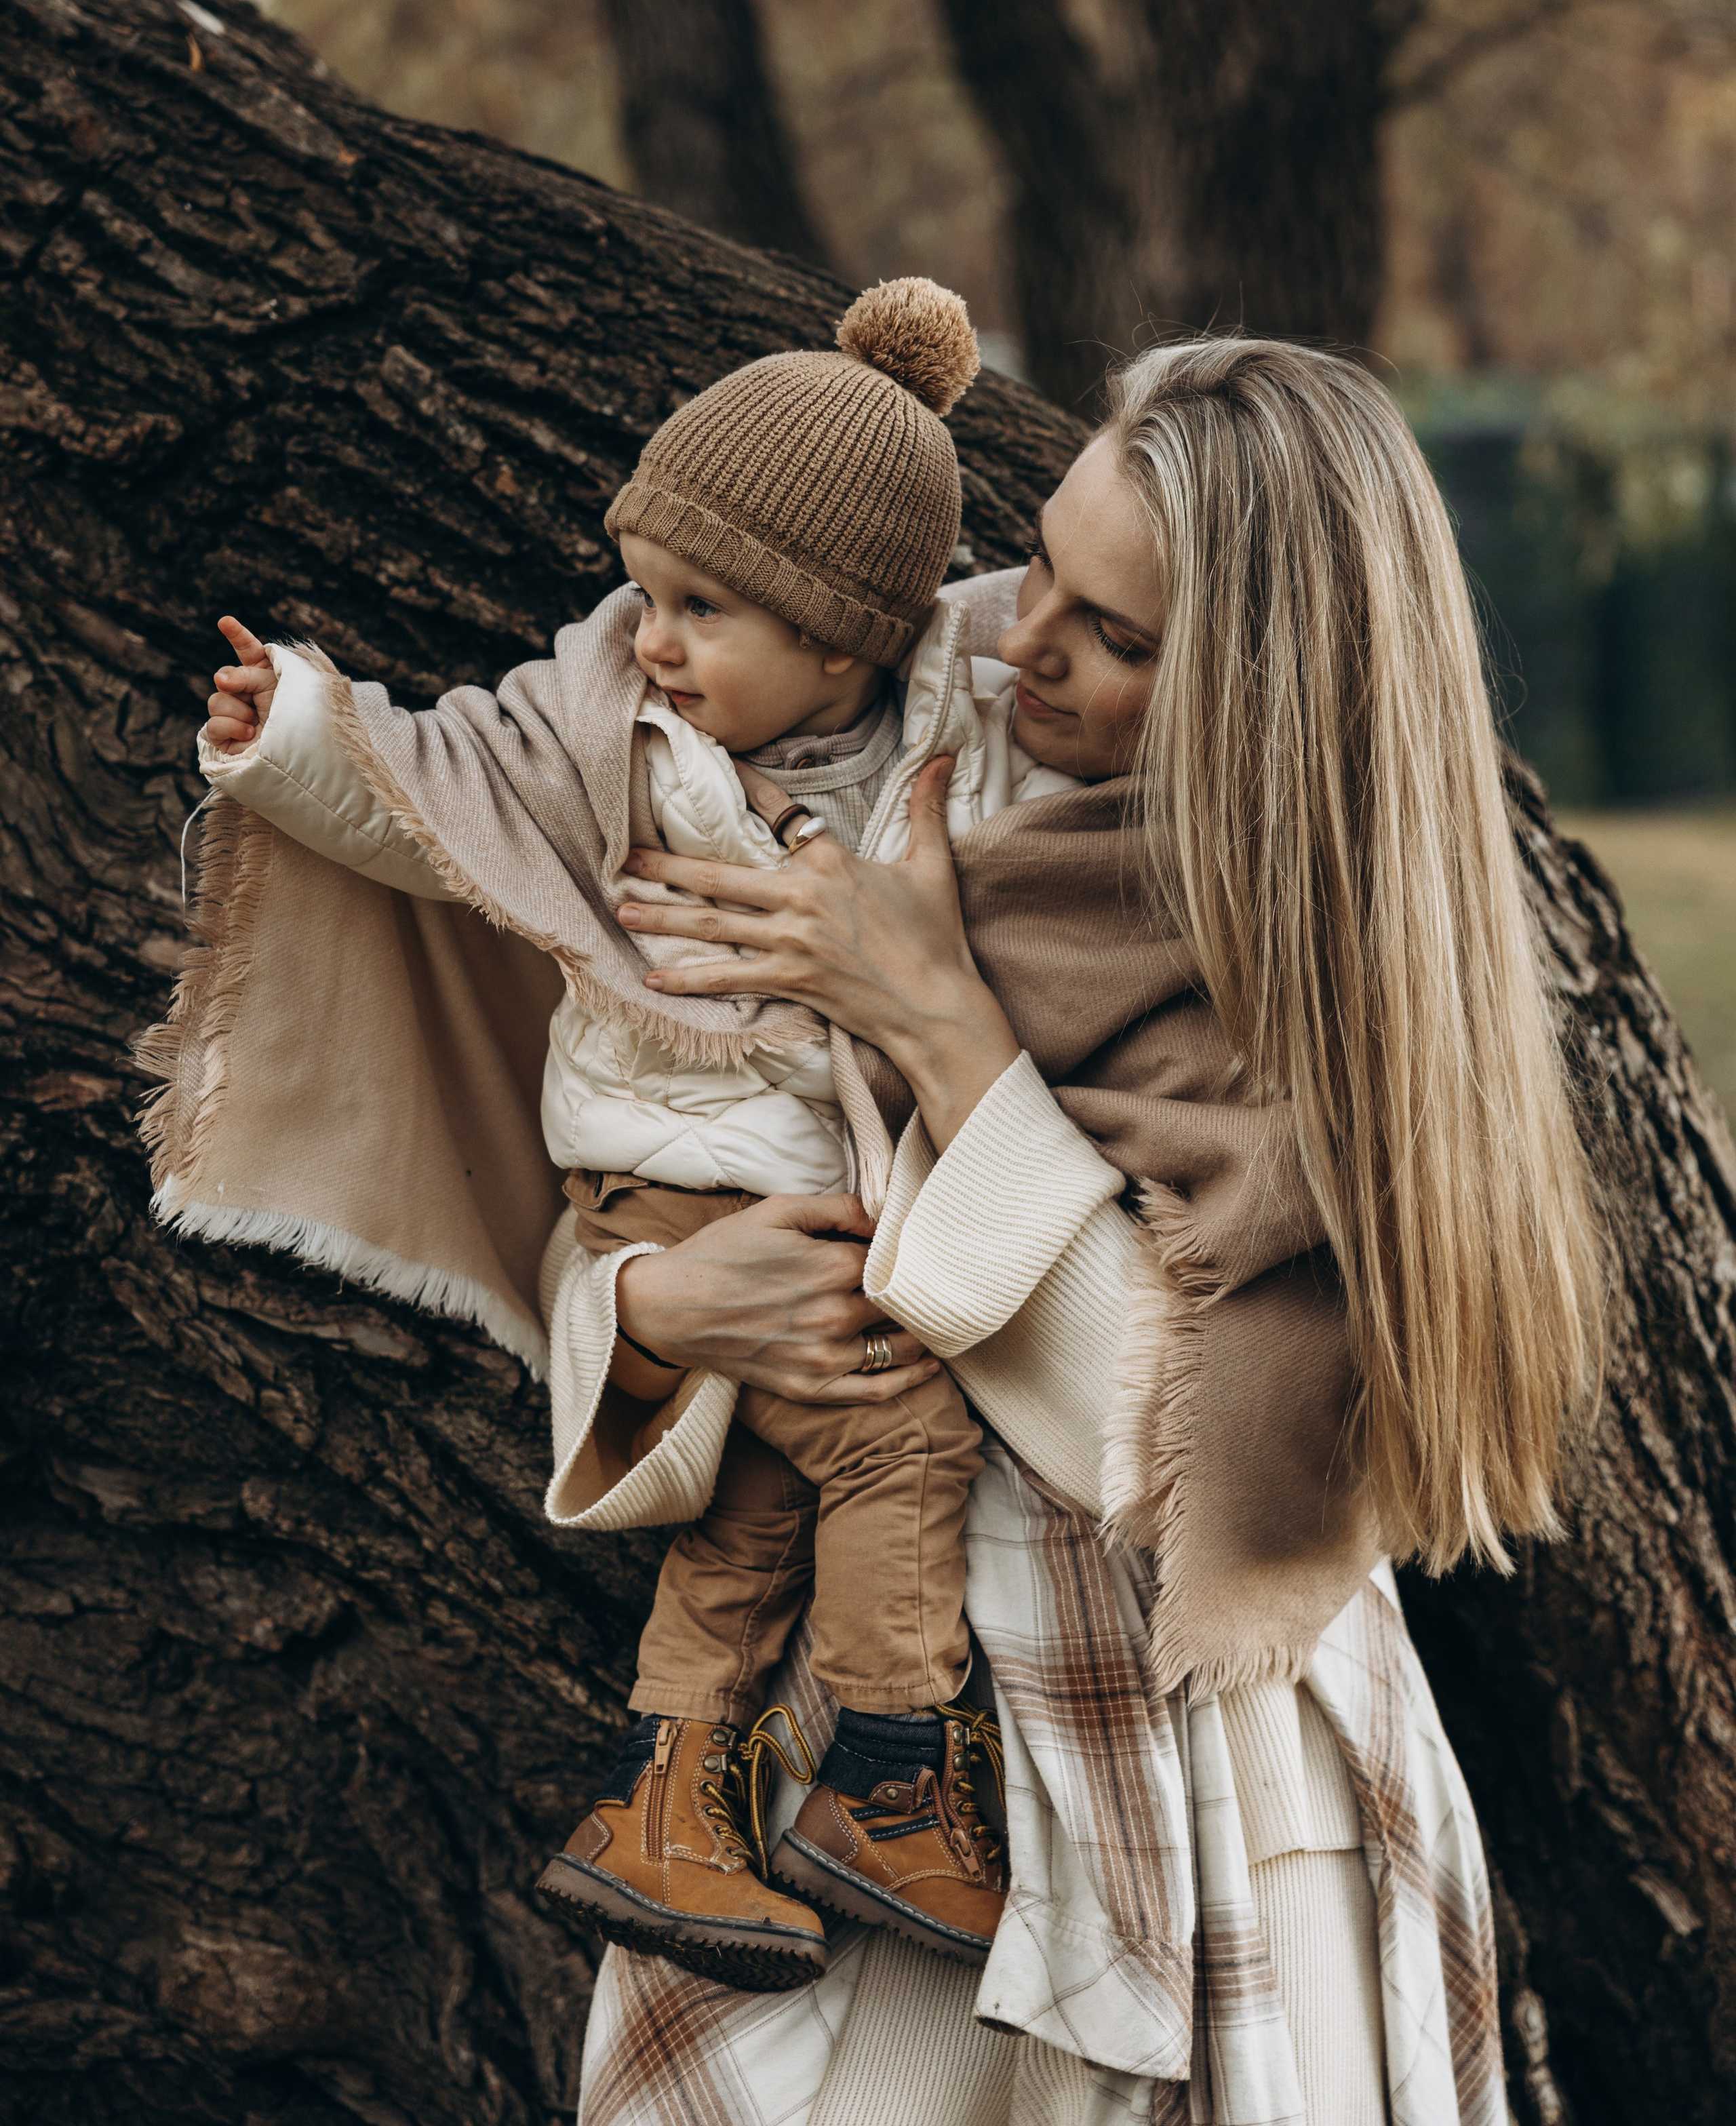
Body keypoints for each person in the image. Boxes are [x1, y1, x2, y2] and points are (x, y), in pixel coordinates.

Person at [140, 326, 1605, 2125]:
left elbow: (1149, 1441)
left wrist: (942, 1024)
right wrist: (665, 1307)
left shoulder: (1314, 979)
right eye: (1038, 565)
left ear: (1259, 700)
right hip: (843, 1759)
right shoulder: (903, 728)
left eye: (1114, 636)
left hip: (1199, 1768)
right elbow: (674, 1120)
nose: (1014, 639)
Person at [163, 278, 1074, 1994]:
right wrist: (291, 732)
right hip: (691, 1177)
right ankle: (887, 1781)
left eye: (699, 607)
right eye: (645, 590)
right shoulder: (622, 733)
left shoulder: (914, 737)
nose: (646, 636)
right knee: (896, 1447)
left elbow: (996, 625)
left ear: (838, 642)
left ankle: (666, 1814)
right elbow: (436, 781)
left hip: (780, 1190)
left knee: (742, 1520)